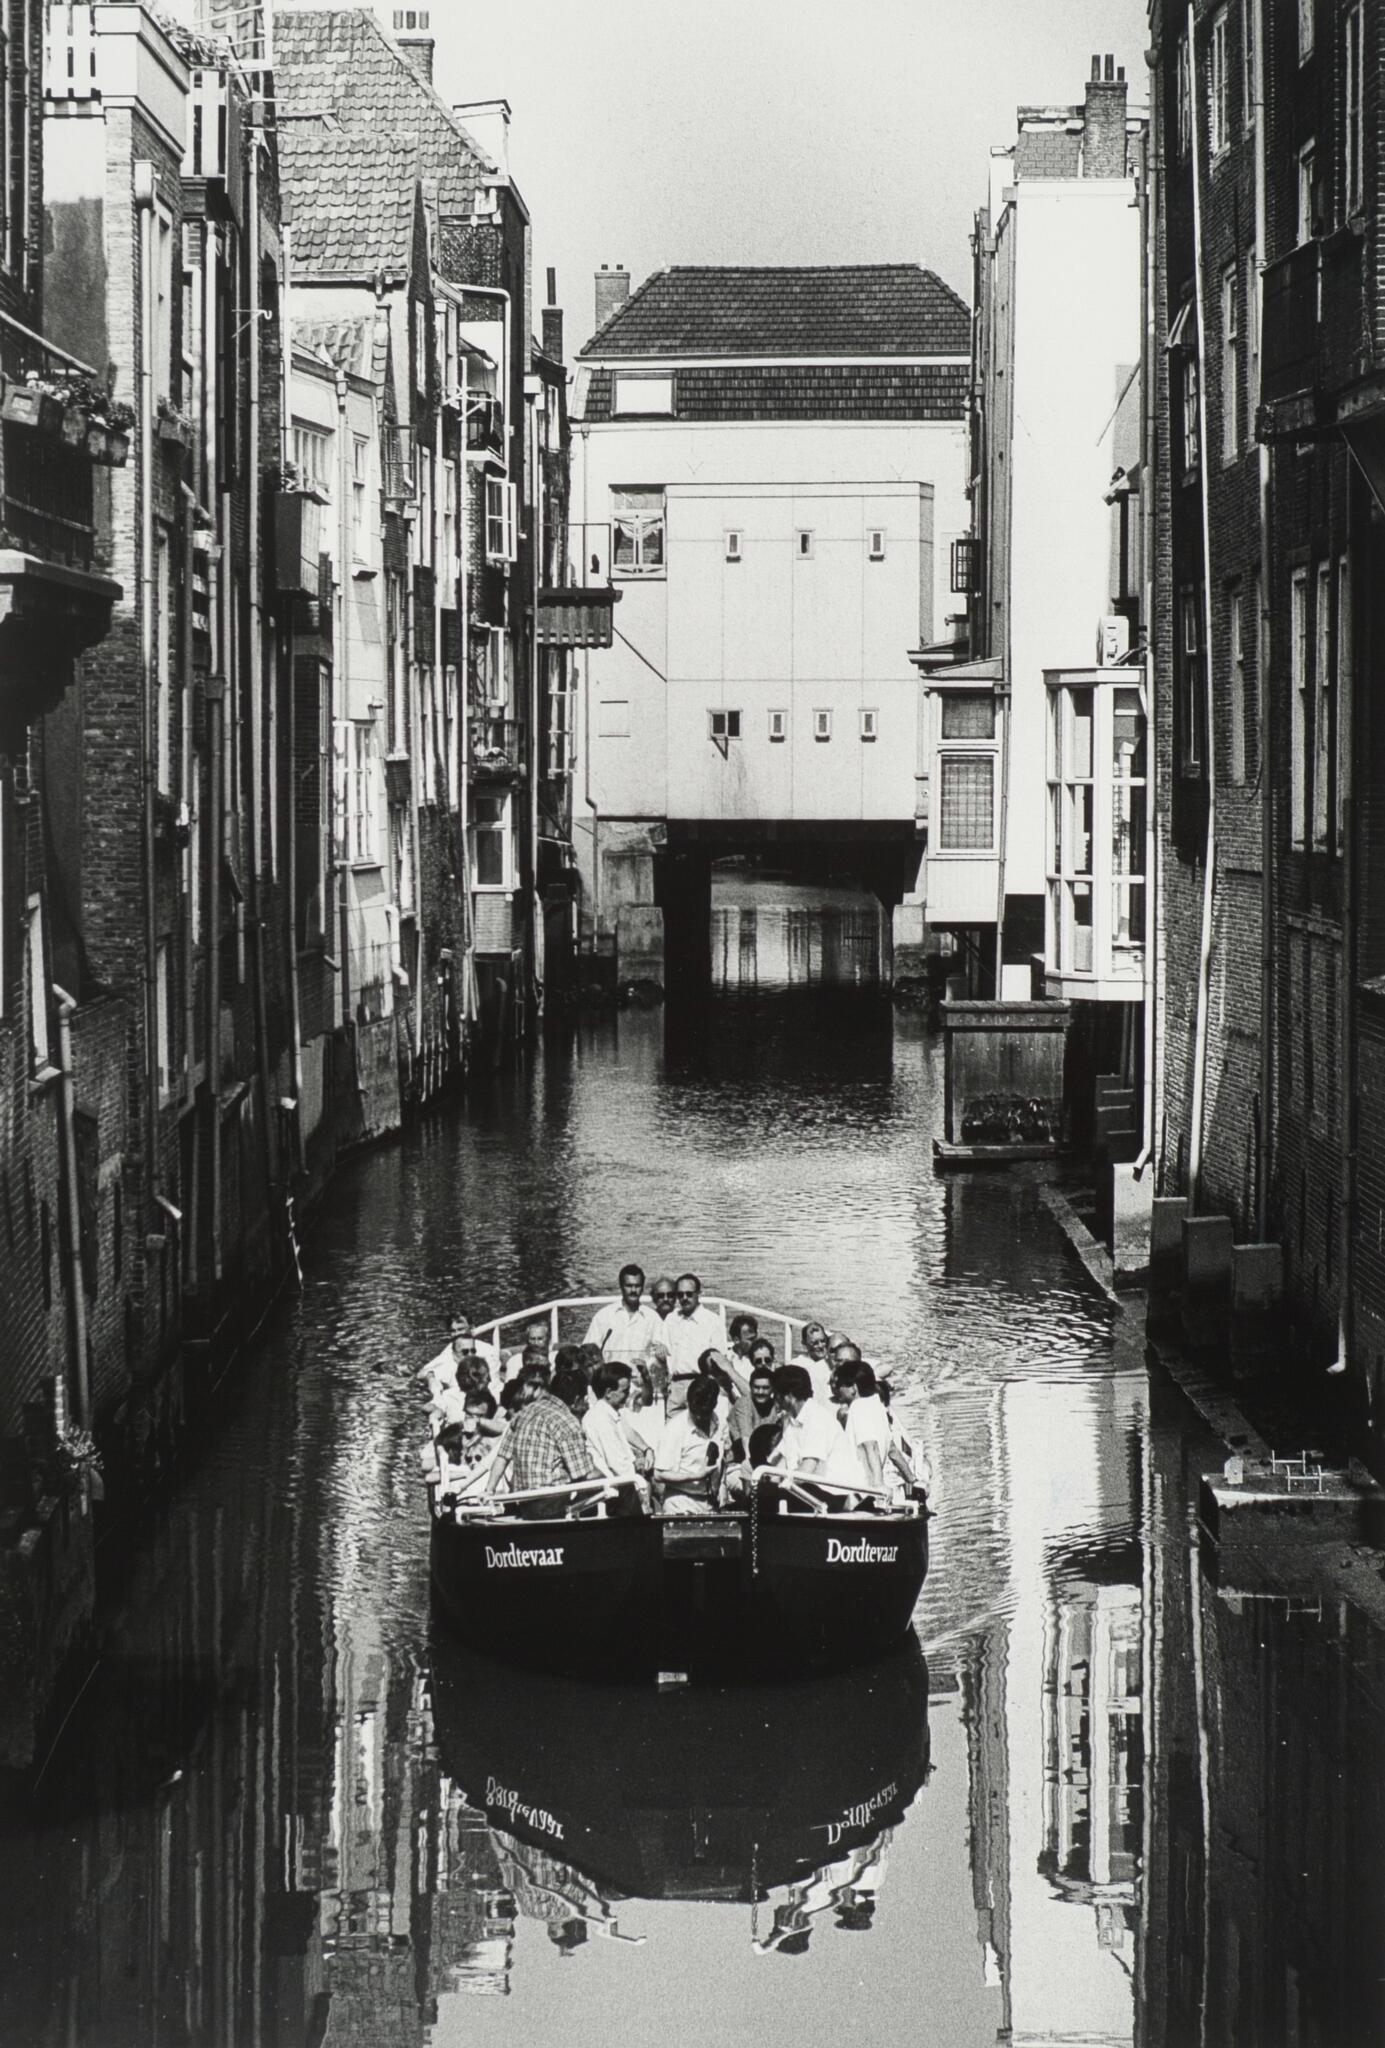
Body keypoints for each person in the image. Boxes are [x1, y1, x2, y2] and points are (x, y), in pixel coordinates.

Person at [489, 1366, 599, 1497]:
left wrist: (489, 1490)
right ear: (576, 1400)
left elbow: (502, 1457)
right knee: (618, 1488)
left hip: (520, 1499)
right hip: (551, 1500)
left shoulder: (525, 1412)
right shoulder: (566, 1421)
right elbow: (582, 1473)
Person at [653, 1376, 726, 1513]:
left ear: (714, 1404)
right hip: (681, 1503)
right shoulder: (675, 1429)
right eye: (695, 1411)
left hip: (710, 1504)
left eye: (704, 1413)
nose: (699, 1417)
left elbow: (722, 1458)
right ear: (688, 1402)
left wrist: (722, 1485)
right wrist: (696, 1476)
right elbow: (659, 1474)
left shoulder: (719, 1422)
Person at [662, 1274, 729, 1410]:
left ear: (698, 1293)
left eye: (689, 1294)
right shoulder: (671, 1319)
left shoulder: (712, 1320)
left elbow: (719, 1359)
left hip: (702, 1384)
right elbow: (662, 1347)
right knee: (672, 1428)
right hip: (676, 1387)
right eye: (680, 1294)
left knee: (702, 1428)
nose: (684, 1298)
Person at [583, 1362, 653, 1489]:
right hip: (617, 1492)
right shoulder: (601, 1419)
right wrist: (642, 1470)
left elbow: (627, 1431)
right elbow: (619, 1466)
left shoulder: (609, 1414)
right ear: (609, 1392)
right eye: (624, 1391)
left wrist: (647, 1450)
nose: (628, 1394)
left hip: (623, 1484)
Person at [418, 1309, 503, 1405]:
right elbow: (424, 1371)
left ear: (471, 1328)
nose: (457, 1334)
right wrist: (431, 1378)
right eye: (453, 1331)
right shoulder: (451, 1349)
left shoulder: (488, 1351)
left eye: (461, 1329)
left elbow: (491, 1385)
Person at [583, 1264, 661, 1366]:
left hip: (640, 1378)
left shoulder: (652, 1318)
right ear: (621, 1287)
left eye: (637, 1286)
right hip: (610, 1377)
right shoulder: (603, 1316)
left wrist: (648, 1364)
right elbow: (588, 1350)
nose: (633, 1290)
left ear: (642, 1288)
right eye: (628, 1286)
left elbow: (659, 1354)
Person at [769, 1365, 839, 1478]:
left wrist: (780, 1486)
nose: (773, 1398)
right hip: (805, 1487)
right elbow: (781, 1462)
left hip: (831, 1489)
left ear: (788, 1395)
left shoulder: (817, 1418)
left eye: (776, 1393)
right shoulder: (790, 1419)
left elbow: (807, 1469)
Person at [790, 1322, 834, 1405]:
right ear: (804, 1344)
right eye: (815, 1343)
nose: (820, 1346)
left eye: (823, 1341)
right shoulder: (796, 1366)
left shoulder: (833, 1362)